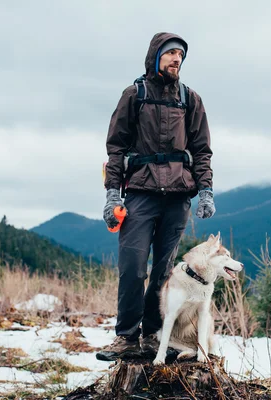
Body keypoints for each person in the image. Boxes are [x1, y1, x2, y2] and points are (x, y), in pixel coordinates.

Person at [96, 32, 215, 361]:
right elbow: (116, 148)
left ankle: (152, 335)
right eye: (171, 53)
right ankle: (126, 337)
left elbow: (202, 151)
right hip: (140, 194)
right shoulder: (135, 95)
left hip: (178, 198)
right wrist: (111, 195)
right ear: (156, 56)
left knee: (163, 273)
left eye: (181, 55)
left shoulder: (190, 99)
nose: (177, 59)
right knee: (133, 267)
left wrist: (205, 190)